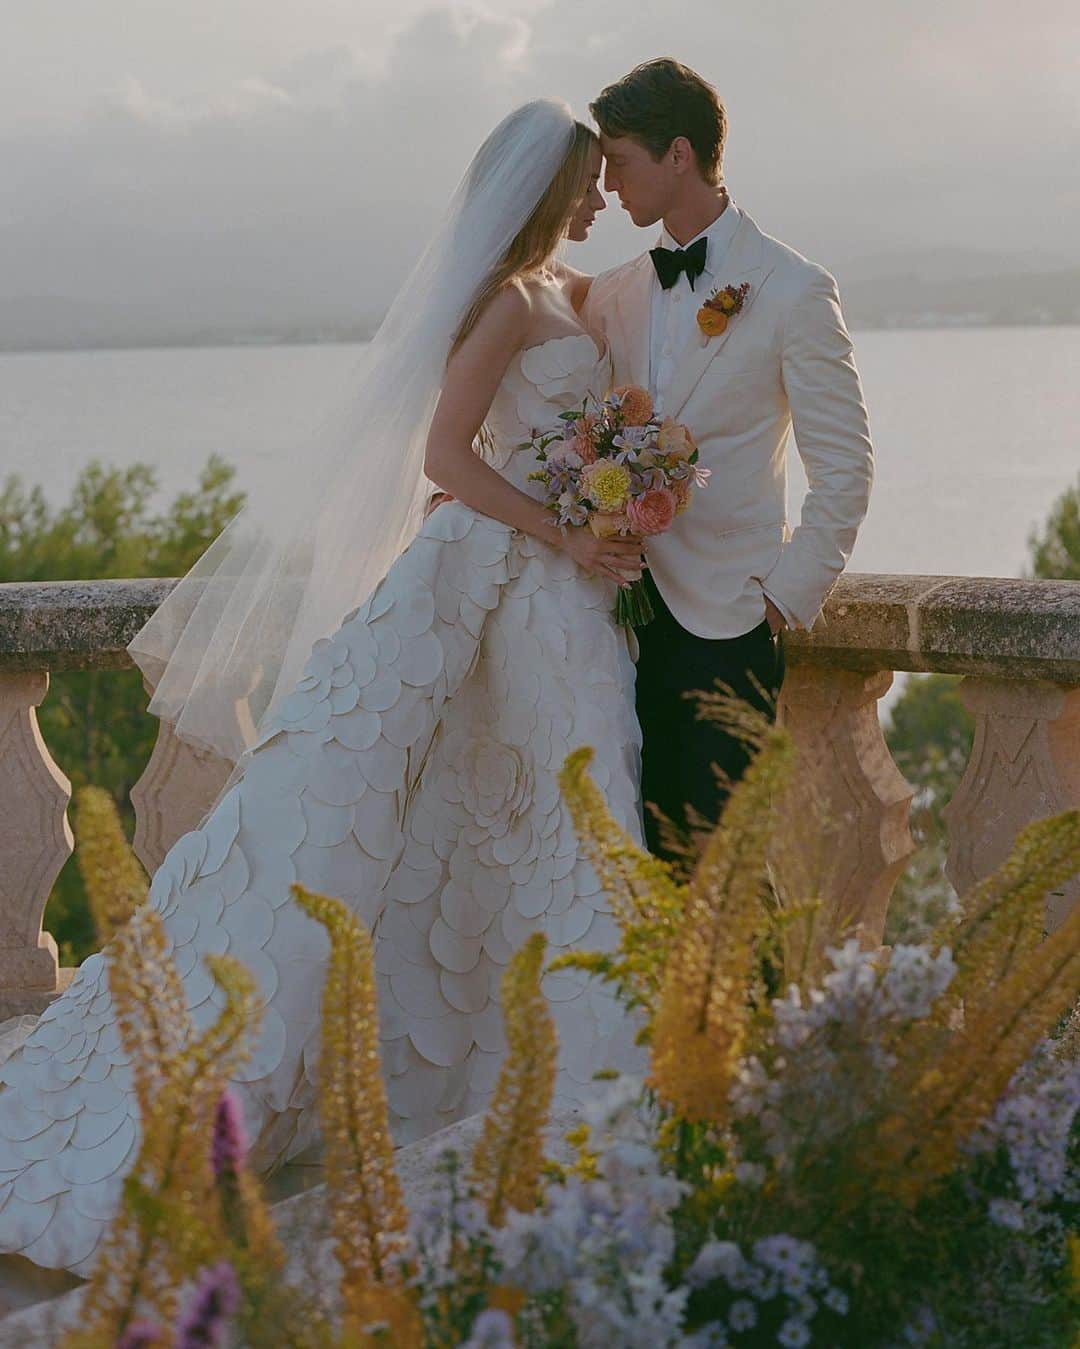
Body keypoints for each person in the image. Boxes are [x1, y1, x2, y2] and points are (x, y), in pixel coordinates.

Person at [0, 99, 649, 1276]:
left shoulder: (577, 292)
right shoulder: (505, 305)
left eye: (610, 177)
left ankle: (560, 1075)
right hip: (511, 580)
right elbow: (446, 458)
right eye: (588, 180)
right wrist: (566, 528)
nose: (601, 196)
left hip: (568, 595)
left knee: (535, 821)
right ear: (543, 188)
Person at [582, 58, 874, 859]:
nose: (608, 187)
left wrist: (776, 601)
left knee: (723, 874)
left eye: (621, 162)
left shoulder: (792, 289)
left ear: (679, 155)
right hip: (618, 628)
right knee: (638, 871)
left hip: (728, 625)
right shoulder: (617, 290)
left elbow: (845, 467)